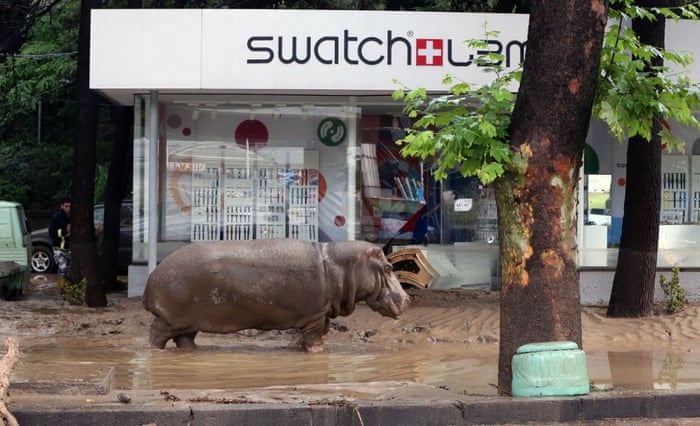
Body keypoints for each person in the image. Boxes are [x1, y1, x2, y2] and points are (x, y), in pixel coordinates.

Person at [49, 197, 71, 291]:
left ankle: (70, 288)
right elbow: (51, 233)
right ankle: (62, 290)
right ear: (61, 206)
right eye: (66, 206)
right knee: (63, 269)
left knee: (71, 270)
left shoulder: (75, 216)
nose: (68, 208)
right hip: (59, 249)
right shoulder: (56, 218)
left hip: (71, 248)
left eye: (70, 206)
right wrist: (64, 231)